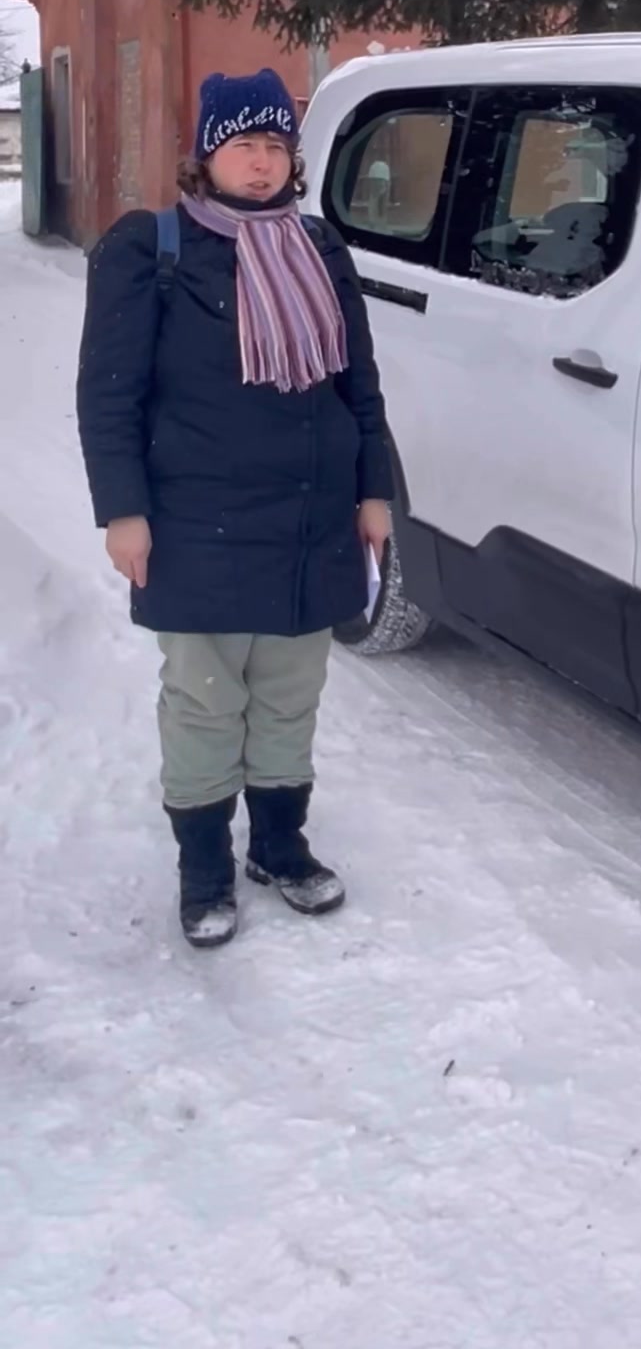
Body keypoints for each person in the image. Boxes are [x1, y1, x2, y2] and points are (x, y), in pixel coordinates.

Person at [76, 68, 393, 949]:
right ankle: (205, 865)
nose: (261, 163)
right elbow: (109, 393)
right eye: (243, 145)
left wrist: (374, 490)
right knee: (206, 701)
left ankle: (280, 847)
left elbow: (359, 384)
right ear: (206, 156)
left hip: (310, 520)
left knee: (291, 696)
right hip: (196, 522)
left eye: (275, 146)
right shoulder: (152, 249)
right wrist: (123, 510)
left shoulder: (320, 248)